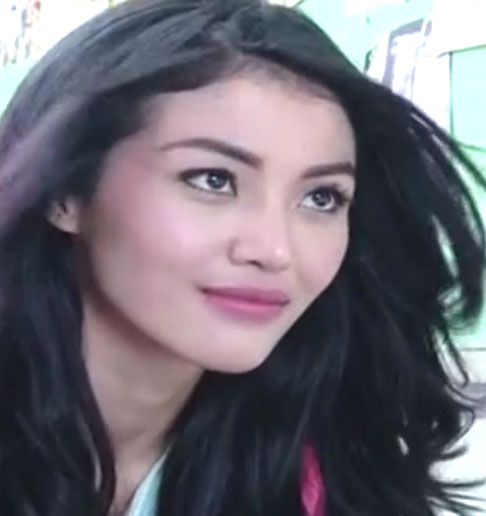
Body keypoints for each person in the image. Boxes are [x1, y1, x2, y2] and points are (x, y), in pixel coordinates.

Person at [0, 0, 484, 515]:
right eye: (213, 180)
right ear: (67, 192)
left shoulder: (324, 472)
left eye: (321, 198)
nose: (275, 251)